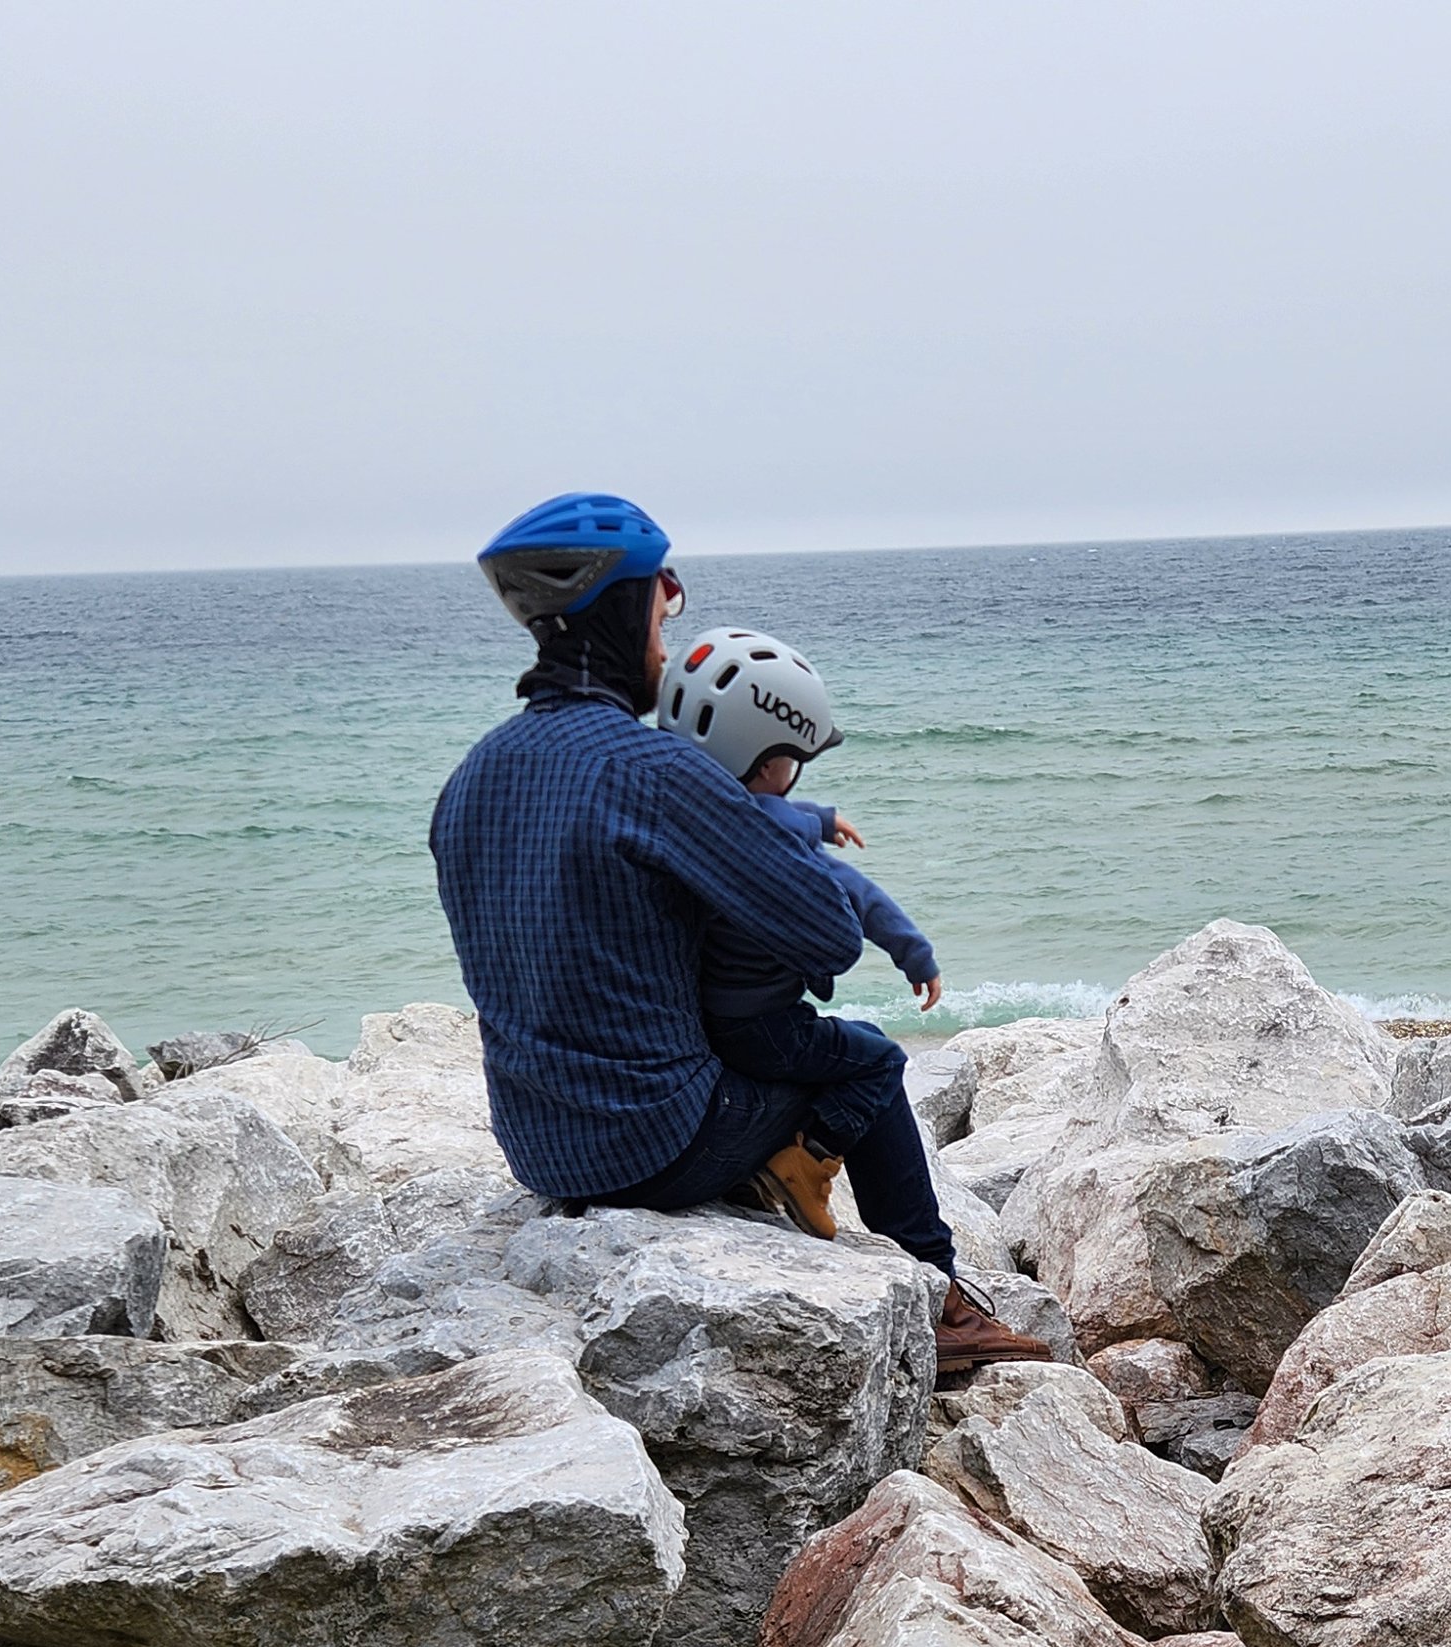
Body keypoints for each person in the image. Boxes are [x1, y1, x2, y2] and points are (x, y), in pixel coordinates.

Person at [428, 494, 1047, 1376]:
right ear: (624, 608)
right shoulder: (651, 770)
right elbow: (829, 941)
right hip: (656, 1141)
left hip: (536, 1144)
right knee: (868, 1059)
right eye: (664, 597)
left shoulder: (472, 775)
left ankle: (785, 1178)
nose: (666, 625)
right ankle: (938, 1300)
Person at [657, 627, 944, 1231]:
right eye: (792, 760)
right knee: (877, 1059)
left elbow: (768, 808)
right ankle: (808, 1160)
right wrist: (915, 954)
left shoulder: (677, 814)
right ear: (767, 763)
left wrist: (816, 818)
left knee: (850, 1048)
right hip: (764, 1028)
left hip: (701, 1028)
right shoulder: (773, 845)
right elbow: (855, 895)